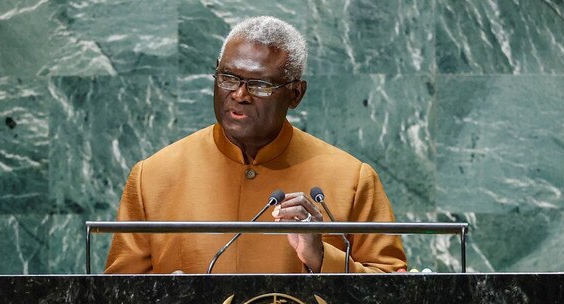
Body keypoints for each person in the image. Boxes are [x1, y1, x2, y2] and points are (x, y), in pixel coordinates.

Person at [104, 16, 406, 274]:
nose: (240, 94)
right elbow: (115, 299)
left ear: (295, 94)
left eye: (260, 85)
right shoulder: (153, 176)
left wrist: (321, 256)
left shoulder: (352, 179)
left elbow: (396, 294)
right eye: (228, 78)